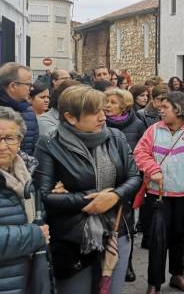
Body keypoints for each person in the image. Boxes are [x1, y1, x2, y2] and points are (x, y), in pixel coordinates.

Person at [34, 86, 141, 294]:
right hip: (72, 239)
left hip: (116, 231)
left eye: (103, 109)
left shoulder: (115, 137)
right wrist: (90, 199)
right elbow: (43, 196)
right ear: (71, 117)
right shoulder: (49, 143)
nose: (103, 116)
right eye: (95, 112)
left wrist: (114, 196)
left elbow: (135, 177)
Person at [133, 91, 184, 294]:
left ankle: (177, 275)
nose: (160, 110)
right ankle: (154, 283)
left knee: (179, 236)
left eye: (165, 107)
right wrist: (153, 170)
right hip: (159, 194)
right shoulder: (153, 130)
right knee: (158, 237)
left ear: (179, 109)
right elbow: (140, 153)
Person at [0, 106, 50, 294]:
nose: (2, 146)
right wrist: (35, 236)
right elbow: (39, 232)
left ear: (20, 142)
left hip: (28, 276)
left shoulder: (27, 175)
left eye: (10, 138)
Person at [104, 87, 147, 283]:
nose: (107, 106)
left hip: (127, 182)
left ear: (124, 106)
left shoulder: (137, 125)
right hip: (105, 181)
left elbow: (141, 153)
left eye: (112, 102)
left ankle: (127, 263)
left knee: (127, 226)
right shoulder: (100, 124)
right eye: (106, 102)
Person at [0, 63, 39, 156]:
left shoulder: (29, 111)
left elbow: (35, 148)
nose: (32, 88)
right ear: (13, 86)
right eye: (28, 84)